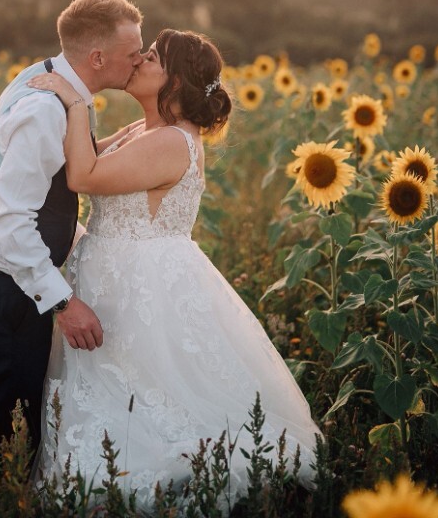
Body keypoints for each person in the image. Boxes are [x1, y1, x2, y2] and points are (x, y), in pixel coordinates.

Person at [27, 28, 322, 509]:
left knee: (148, 396)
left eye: (153, 58)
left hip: (143, 287)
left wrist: (74, 102)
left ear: (177, 82)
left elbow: (84, 176)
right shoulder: (148, 131)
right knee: (116, 388)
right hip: (116, 274)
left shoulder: (170, 142)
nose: (139, 60)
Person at [0, 0, 144, 484]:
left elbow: (58, 170)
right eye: (133, 51)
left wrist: (121, 141)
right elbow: (12, 225)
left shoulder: (61, 92)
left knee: (29, 414)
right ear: (97, 57)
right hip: (7, 285)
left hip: (14, 280)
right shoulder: (44, 109)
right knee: (5, 424)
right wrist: (63, 302)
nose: (140, 59)